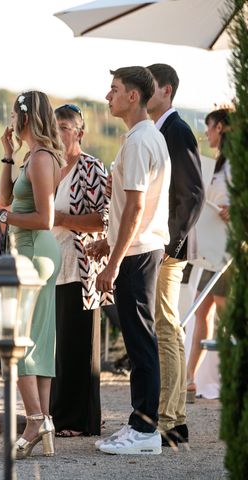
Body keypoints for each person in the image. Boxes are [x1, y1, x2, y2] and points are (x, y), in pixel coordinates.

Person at [90, 66, 171, 455]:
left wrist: (113, 262)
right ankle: (140, 424)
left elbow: (138, 207)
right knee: (140, 340)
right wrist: (108, 245)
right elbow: (134, 204)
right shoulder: (143, 137)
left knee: (140, 342)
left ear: (133, 96)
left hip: (138, 254)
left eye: (114, 89)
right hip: (138, 249)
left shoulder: (140, 141)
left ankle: (145, 431)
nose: (108, 96)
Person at [0, 90, 63, 458]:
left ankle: (33, 420)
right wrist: (7, 156)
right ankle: (43, 420)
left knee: (17, 338)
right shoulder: (28, 157)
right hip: (27, 249)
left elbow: (45, 218)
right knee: (38, 339)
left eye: (14, 114)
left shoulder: (43, 159)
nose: (10, 120)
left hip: (34, 250)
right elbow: (4, 202)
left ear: (24, 117)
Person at [146, 63, 205, 447]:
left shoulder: (177, 130)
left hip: (169, 246)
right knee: (164, 327)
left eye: (147, 87)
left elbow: (193, 194)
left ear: (165, 90)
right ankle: (173, 417)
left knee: (167, 327)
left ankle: (170, 419)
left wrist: (171, 246)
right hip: (161, 242)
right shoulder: (160, 131)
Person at [49, 104, 110, 438]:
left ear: (79, 132)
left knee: (78, 345)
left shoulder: (90, 168)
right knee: (58, 345)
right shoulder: (50, 165)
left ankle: (78, 420)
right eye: (54, 125)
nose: (58, 132)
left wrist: (63, 220)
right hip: (51, 265)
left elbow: (105, 219)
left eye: (64, 126)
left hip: (81, 264)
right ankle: (58, 415)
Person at [186, 108, 232, 402]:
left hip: (229, 249)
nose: (207, 132)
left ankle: (232, 378)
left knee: (226, 314)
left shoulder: (237, 165)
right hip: (212, 248)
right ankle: (189, 379)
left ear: (222, 128)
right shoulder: (218, 164)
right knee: (202, 311)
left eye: (210, 126)